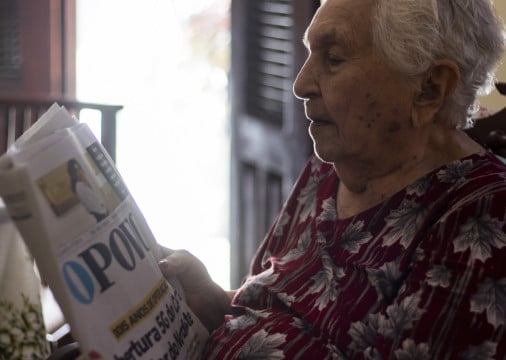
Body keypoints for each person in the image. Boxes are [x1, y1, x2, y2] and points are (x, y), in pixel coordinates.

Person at [89, 0, 506, 358]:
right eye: (310, 54)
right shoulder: (330, 166)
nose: (301, 83)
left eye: (334, 58)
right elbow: (278, 310)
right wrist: (218, 305)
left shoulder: (483, 221)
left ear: (429, 89)